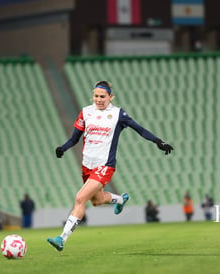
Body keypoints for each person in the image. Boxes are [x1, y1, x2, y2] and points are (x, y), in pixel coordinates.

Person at [47, 81, 173, 251]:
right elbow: (75, 138)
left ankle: (62, 238)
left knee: (80, 199)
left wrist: (158, 141)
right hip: (87, 166)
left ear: (110, 97)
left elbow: (139, 129)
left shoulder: (117, 114)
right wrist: (63, 148)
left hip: (105, 165)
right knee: (97, 201)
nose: (99, 99)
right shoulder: (86, 112)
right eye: (96, 96)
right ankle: (120, 200)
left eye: (102, 96)